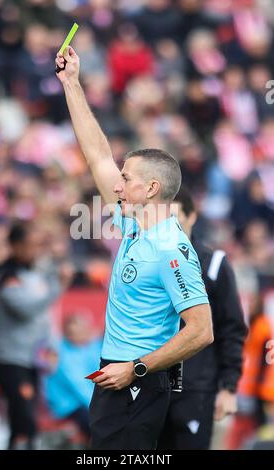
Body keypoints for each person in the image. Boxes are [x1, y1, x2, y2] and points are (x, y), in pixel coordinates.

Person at [55, 46, 213, 450]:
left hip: (136, 381)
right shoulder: (133, 222)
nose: (118, 185)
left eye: (126, 179)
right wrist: (72, 83)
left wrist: (137, 369)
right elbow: (97, 154)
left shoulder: (170, 248)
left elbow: (202, 330)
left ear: (152, 189)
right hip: (116, 373)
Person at [158, 186, 247, 450]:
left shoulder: (214, 264)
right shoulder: (143, 261)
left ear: (192, 216)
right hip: (150, 383)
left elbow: (231, 329)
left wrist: (229, 387)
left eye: (175, 219)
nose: (169, 228)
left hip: (196, 386)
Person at [0, 223, 68, 450]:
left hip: (34, 359)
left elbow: (45, 318)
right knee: (24, 420)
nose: (36, 250)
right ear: (16, 246)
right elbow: (27, 310)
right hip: (12, 360)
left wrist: (52, 347)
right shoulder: (6, 276)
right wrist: (59, 286)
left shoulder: (37, 273)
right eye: (30, 245)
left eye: (38, 245)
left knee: (23, 424)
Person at [44, 314, 103, 441]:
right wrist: (100, 407)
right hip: (69, 405)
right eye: (72, 333)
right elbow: (78, 385)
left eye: (81, 330)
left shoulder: (94, 347)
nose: (78, 335)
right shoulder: (60, 353)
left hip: (90, 401)